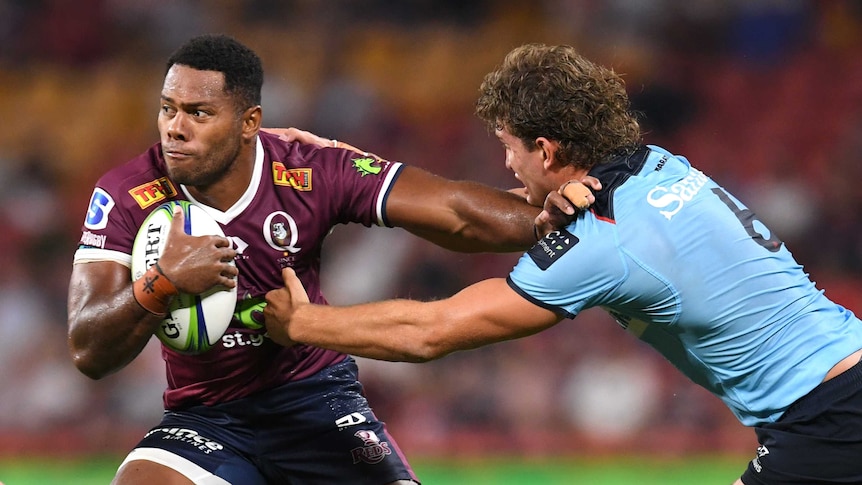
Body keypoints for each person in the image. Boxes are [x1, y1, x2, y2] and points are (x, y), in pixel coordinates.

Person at [264, 43, 862, 485]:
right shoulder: (660, 165)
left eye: (508, 146)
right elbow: (593, 231)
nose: (505, 165)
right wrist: (347, 160)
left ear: (546, 150)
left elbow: (433, 332)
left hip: (827, 419)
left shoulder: (600, 240)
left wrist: (303, 325)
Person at [66, 35, 595, 485]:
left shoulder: (309, 170)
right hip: (206, 418)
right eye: (168, 108)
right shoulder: (127, 193)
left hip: (316, 401)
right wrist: (161, 283)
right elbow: (88, 350)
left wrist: (543, 222)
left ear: (249, 122)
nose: (175, 128)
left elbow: (453, 209)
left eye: (199, 113)